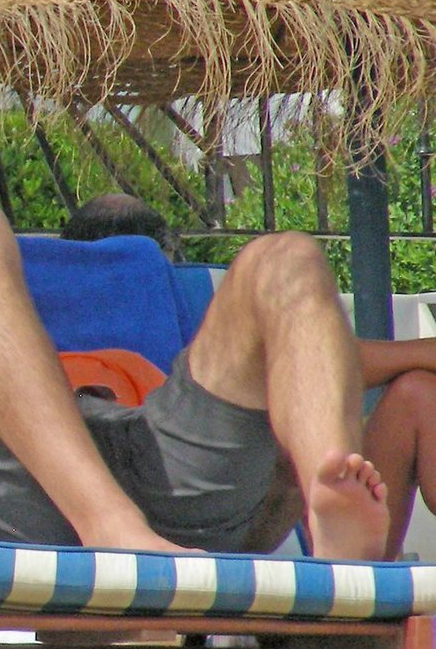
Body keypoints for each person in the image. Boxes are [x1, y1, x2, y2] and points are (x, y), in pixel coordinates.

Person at [0, 172, 388, 589]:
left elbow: (303, 368)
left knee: (289, 257)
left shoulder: (112, 361)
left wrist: (281, 467)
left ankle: (336, 522)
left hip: (158, 483)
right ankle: (107, 525)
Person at [66, 190, 436, 559]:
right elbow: (305, 361)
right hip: (196, 486)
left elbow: (308, 359)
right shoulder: (189, 323)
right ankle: (348, 563)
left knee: (418, 394)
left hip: (210, 485)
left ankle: (350, 556)